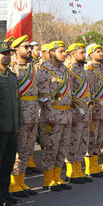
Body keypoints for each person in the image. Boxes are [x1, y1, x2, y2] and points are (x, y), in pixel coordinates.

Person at [36, 41, 73, 191]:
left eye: (65, 51)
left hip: (66, 115)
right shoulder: (44, 70)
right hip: (52, 117)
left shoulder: (64, 69)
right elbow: (43, 96)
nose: (65, 54)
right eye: (61, 51)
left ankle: (57, 177)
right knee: (51, 148)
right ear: (52, 53)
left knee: (63, 148)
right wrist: (51, 115)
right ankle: (48, 180)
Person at [0, 41, 22, 206]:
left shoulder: (11, 76)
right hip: (0, 128)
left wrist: (20, 122)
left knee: (9, 161)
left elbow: (17, 102)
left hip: (12, 127)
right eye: (4, 53)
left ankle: (5, 190)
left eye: (9, 53)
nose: (7, 56)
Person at [9, 35, 39, 197]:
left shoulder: (31, 67)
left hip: (33, 114)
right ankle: (13, 183)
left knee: (27, 150)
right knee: (17, 152)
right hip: (21, 114)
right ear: (16, 49)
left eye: (29, 47)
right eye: (25, 47)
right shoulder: (12, 67)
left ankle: (21, 180)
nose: (29, 50)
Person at [64, 43, 93, 183]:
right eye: (81, 52)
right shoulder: (69, 70)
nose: (84, 55)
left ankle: (79, 169)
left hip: (85, 112)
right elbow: (68, 94)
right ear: (73, 54)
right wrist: (73, 114)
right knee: (73, 142)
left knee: (83, 141)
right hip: (76, 112)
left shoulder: (83, 70)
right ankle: (71, 171)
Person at [84, 43, 103, 177]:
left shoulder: (102, 69)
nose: (101, 53)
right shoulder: (88, 70)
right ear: (91, 54)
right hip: (94, 109)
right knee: (91, 139)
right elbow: (89, 92)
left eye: (102, 51)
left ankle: (95, 165)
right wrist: (92, 110)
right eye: (98, 51)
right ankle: (89, 167)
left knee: (99, 138)